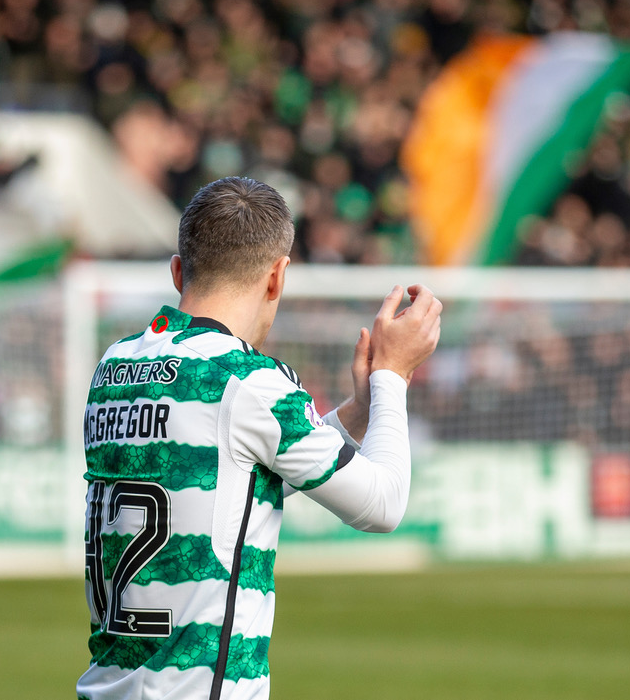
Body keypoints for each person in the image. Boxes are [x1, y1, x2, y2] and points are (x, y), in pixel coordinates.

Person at [76, 176, 441, 699]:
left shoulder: (116, 365)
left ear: (178, 270)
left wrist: (359, 410)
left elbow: (233, 482)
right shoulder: (248, 381)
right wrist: (393, 376)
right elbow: (382, 505)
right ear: (277, 276)